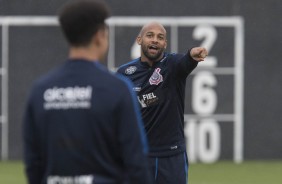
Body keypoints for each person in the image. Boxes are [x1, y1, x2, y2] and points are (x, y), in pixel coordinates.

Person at [22, 1, 153, 184]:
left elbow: (33, 162)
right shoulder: (117, 88)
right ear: (100, 36)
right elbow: (136, 160)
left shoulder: (40, 91)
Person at [117, 22, 208, 184]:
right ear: (139, 40)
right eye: (150, 35)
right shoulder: (125, 72)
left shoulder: (172, 65)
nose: (155, 40)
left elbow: (185, 61)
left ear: (165, 44)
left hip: (171, 156)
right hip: (139, 155)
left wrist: (192, 55)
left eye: (160, 37)